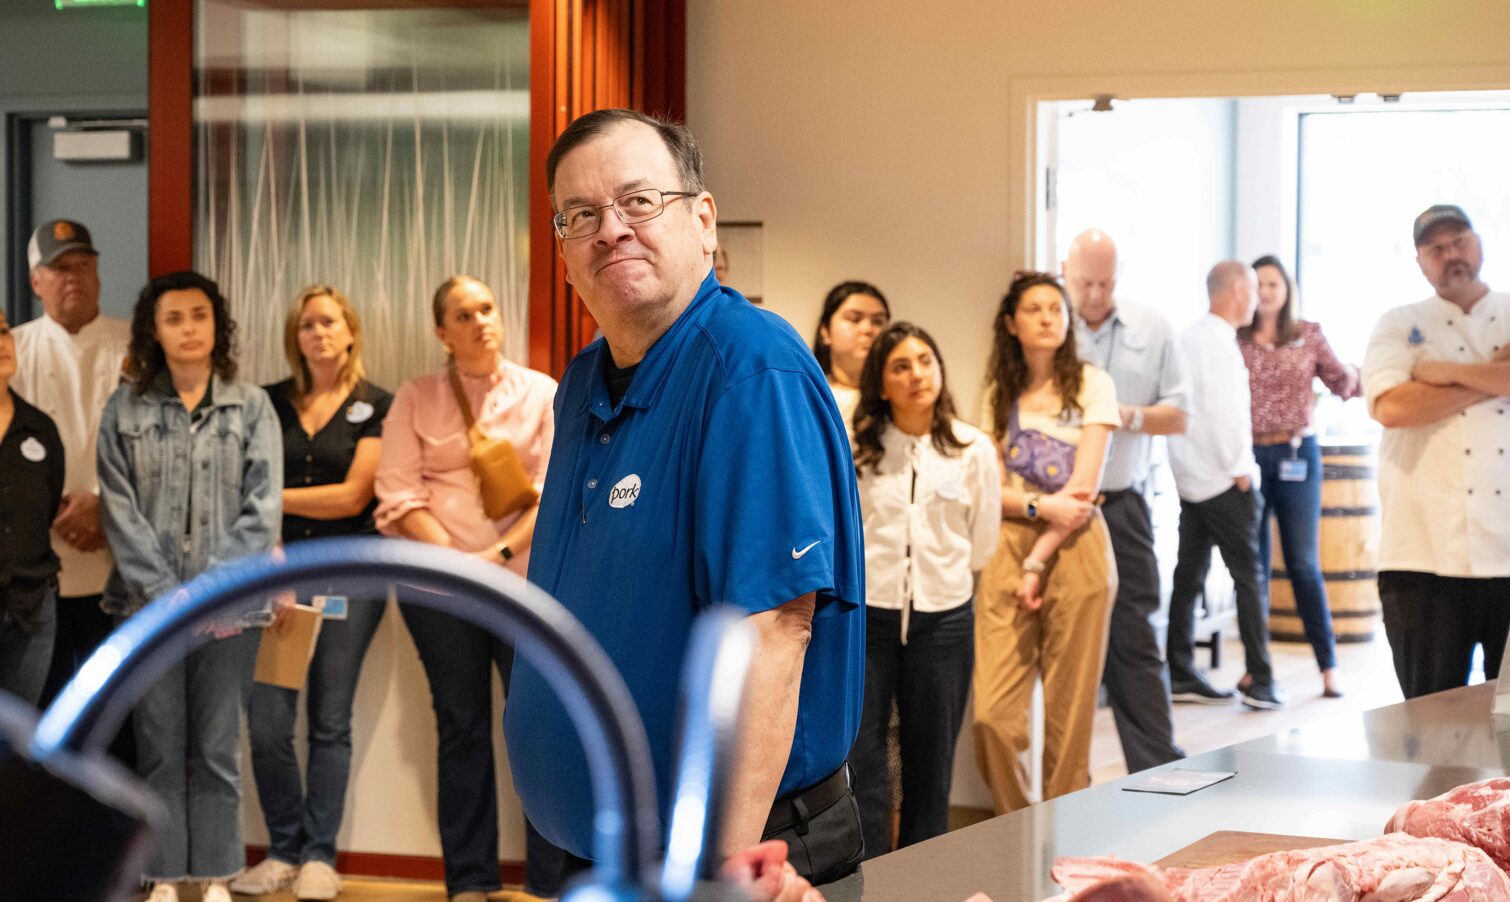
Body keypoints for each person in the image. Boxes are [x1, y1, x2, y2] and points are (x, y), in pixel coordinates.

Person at [506, 109, 863, 898]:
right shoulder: (582, 383)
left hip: (732, 858)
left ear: (703, 221)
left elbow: (775, 629)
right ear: (563, 253)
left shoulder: (750, 368)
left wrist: (725, 874)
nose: (611, 230)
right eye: (581, 215)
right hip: (603, 853)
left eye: (639, 202)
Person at [373, 275, 561, 902]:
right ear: (441, 332)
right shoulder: (416, 396)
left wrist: (495, 556)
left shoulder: (542, 392)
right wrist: (459, 563)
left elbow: (556, 490)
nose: (480, 321)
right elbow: (399, 493)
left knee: (536, 729)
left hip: (524, 585)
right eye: (463, 314)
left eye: (486, 308)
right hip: (440, 591)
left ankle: (548, 882)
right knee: (460, 727)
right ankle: (470, 881)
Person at [96, 271, 282, 902]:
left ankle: (215, 875)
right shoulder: (124, 408)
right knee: (158, 748)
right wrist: (168, 595)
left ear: (216, 324)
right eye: (173, 318)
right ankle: (164, 877)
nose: (188, 329)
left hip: (230, 612)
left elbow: (263, 509)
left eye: (199, 315)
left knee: (216, 749)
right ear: (154, 330)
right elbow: (118, 510)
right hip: (144, 610)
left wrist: (207, 594)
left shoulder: (251, 406)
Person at [231, 286, 393, 900]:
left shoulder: (376, 404)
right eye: (306, 325)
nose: (318, 333)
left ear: (350, 331)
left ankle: (320, 857)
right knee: (268, 722)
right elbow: (241, 482)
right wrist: (265, 521)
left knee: (330, 718)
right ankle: (282, 850)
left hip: (351, 573)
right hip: (275, 574)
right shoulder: (264, 402)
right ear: (294, 337)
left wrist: (267, 501)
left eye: (328, 322)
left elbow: (353, 497)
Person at [849, 321, 1000, 857]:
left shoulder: (973, 448)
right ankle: (867, 873)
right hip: (869, 617)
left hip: (944, 619)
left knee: (931, 763)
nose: (917, 375)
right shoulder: (858, 448)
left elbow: (983, 541)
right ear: (881, 382)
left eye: (925, 361)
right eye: (901, 366)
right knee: (863, 758)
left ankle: (923, 876)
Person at [973, 271, 1119, 814]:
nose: (1047, 318)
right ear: (1011, 323)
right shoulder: (998, 394)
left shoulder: (1093, 385)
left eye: (1056, 309)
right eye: (1033, 309)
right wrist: (1037, 507)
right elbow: (992, 491)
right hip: (1006, 545)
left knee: (1068, 714)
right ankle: (1016, 828)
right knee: (992, 716)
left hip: (1077, 547)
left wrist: (1037, 558)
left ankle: (1065, 836)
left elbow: (1082, 492)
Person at [1363, 204, 1510, 700]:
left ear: (1479, 243)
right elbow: (1391, 407)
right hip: (1421, 557)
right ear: (1420, 262)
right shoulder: (1398, 324)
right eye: (1436, 248)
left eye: (1459, 241)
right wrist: (1494, 376)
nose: (1451, 255)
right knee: (1429, 718)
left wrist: (1440, 371)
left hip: (1507, 548)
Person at [1061, 229, 1189, 774]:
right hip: (1056, 508)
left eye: (1106, 284)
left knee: (1135, 639)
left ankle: (1159, 768)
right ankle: (1064, 783)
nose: (1095, 296)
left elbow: (1179, 416)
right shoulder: (1047, 324)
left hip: (1122, 504)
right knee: (1064, 649)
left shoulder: (1152, 327)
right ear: (1065, 272)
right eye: (1085, 283)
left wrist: (1123, 415)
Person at [10, 220, 132, 723]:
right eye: (60, 268)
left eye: (83, 265)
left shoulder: (136, 345)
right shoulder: (13, 351)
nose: (73, 277)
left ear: (99, 274)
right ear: (36, 282)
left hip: (119, 558)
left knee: (118, 716)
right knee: (44, 710)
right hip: (40, 565)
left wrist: (104, 507)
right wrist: (64, 512)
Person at [1239, 255, 1359, 700]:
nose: (1266, 291)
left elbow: (1340, 381)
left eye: (1274, 283)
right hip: (1248, 457)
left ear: (1287, 289)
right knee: (1253, 566)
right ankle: (1257, 670)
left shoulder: (1308, 333)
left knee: (1303, 563)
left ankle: (1328, 668)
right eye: (1258, 284)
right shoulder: (1236, 339)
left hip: (1297, 453)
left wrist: (1365, 376)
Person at [1165, 261, 1284, 711]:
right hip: (1224, 480)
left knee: (1188, 576)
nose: (1257, 299)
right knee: (1249, 579)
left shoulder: (1188, 339)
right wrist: (1240, 470)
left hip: (1191, 479)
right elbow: (1224, 414)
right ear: (1235, 291)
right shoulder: (1219, 344)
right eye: (1252, 290)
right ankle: (1262, 680)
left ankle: (1179, 670)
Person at [0, 309, 65, 706]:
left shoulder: (40, 428)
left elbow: (46, 507)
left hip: (31, 607)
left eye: (3, 331)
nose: (1, 343)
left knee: (18, 739)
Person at [811, 281, 891, 428]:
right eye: (854, 319)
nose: (867, 329)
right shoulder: (809, 396)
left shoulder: (899, 396)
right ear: (825, 331)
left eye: (878, 321)